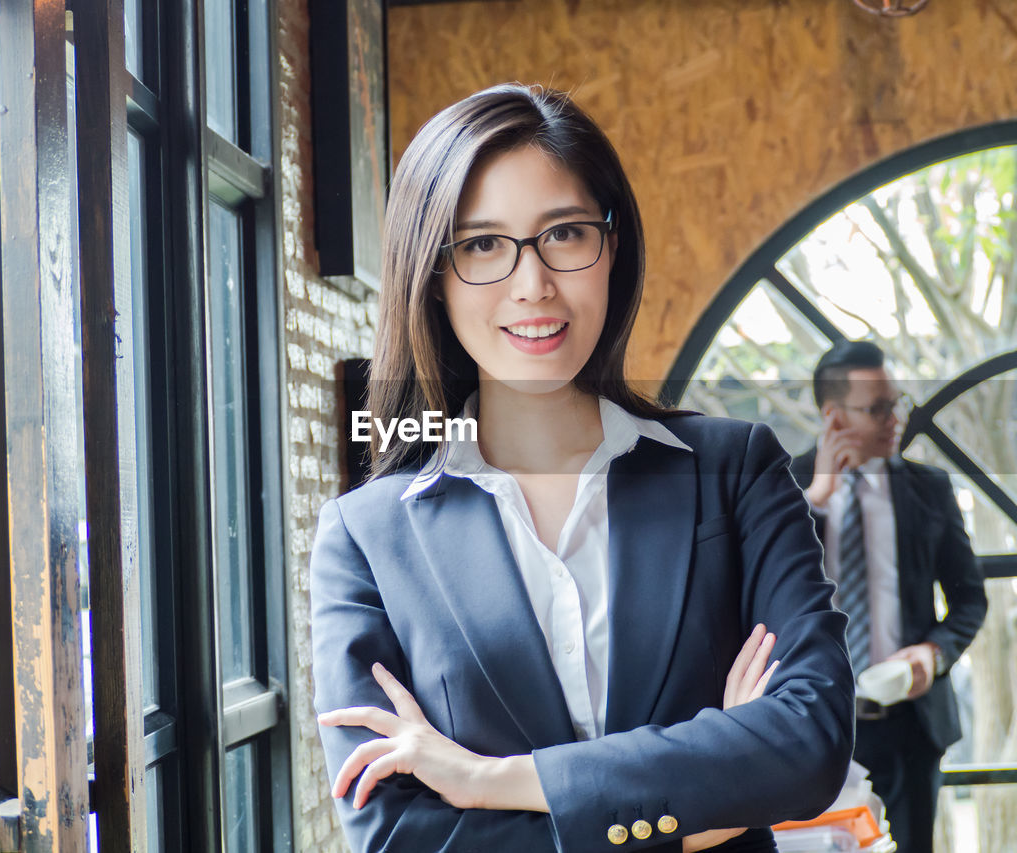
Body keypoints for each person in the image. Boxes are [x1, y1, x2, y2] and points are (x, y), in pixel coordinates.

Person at [309, 83, 854, 853]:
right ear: (432, 274)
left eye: (564, 234)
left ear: (612, 245)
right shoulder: (366, 538)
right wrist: (704, 806)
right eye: (482, 245)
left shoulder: (736, 473)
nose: (532, 283)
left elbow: (811, 742)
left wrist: (492, 779)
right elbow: (399, 833)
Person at [790, 340, 988, 853]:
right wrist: (818, 500)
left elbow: (969, 599)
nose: (894, 418)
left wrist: (935, 652)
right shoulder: (785, 488)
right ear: (832, 416)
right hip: (814, 724)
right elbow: (762, 597)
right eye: (877, 408)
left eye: (896, 402)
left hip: (910, 724)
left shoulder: (930, 489)